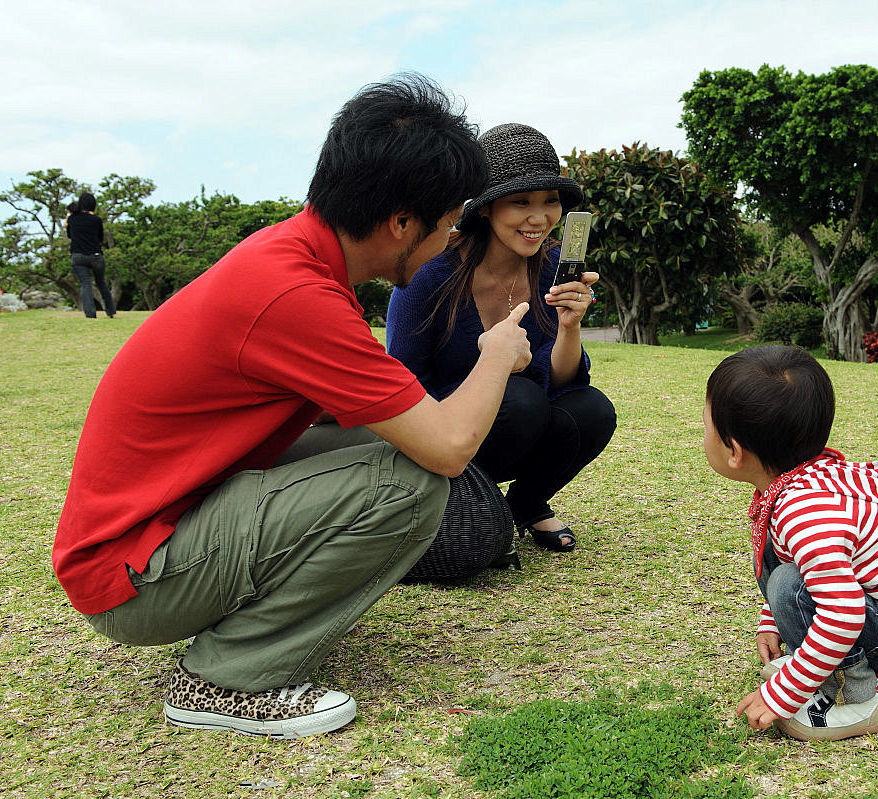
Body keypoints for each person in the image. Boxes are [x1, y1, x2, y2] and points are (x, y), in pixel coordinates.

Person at [52, 75, 534, 739]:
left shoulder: (291, 257)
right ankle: (228, 676)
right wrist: (497, 352)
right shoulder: (293, 293)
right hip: (134, 573)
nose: (452, 242)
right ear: (400, 223)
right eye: (449, 226)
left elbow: (380, 413)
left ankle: (253, 637)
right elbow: (449, 445)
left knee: (390, 450)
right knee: (417, 481)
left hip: (154, 529)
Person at [702, 346, 878, 741]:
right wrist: (772, 621)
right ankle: (820, 665)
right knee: (784, 573)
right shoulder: (795, 483)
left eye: (705, 427)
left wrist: (783, 693)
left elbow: (843, 613)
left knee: (789, 584)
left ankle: (858, 697)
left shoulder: (806, 511)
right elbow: (788, 561)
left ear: (735, 451)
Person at [385, 123, 616, 552]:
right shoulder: (429, 275)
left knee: (592, 409)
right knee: (519, 399)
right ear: (486, 209)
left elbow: (563, 382)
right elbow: (404, 381)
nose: (539, 218)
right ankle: (465, 505)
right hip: (440, 432)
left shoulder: (550, 270)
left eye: (551, 202)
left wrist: (570, 325)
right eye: (521, 202)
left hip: (518, 417)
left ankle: (524, 505)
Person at [66, 191, 116, 319]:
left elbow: (70, 235)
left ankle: (90, 314)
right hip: (95, 255)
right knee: (101, 282)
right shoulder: (96, 220)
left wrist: (70, 215)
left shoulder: (72, 219)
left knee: (85, 284)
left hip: (78, 256)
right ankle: (110, 311)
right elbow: (100, 238)